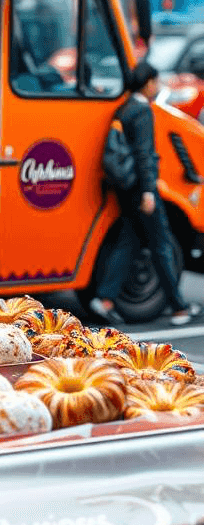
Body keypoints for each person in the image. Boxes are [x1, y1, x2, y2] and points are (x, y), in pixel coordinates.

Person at [90, 59, 202, 328]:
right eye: (156, 81)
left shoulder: (124, 108)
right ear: (149, 83)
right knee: (161, 245)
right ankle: (178, 307)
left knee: (129, 242)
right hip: (143, 191)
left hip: (126, 188)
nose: (158, 86)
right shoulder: (142, 111)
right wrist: (150, 192)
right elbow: (144, 155)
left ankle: (105, 298)